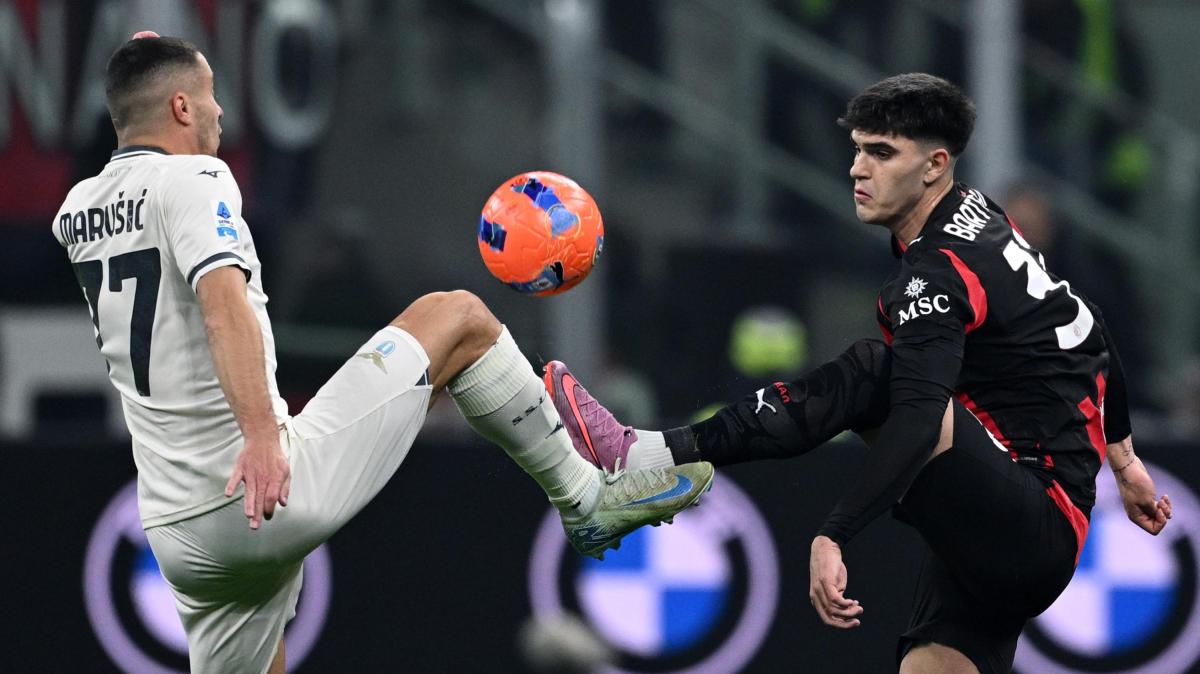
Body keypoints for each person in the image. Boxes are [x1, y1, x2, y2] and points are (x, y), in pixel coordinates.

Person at [52, 33, 713, 673]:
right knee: (459, 318)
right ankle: (586, 499)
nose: (220, 111)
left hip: (174, 527)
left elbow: (141, 156)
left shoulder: (80, 209)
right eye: (209, 94)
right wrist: (258, 436)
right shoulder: (195, 178)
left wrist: (144, 65)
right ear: (180, 108)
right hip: (258, 486)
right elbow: (222, 307)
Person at [543, 73, 1171, 674]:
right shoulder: (978, 213)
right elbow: (1088, 325)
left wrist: (835, 533)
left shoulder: (937, 274)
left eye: (881, 152)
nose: (857, 169)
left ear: (935, 165)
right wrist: (1124, 461)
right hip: (1016, 508)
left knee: (874, 372)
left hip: (1028, 521)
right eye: (858, 149)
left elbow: (918, 419)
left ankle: (641, 455)